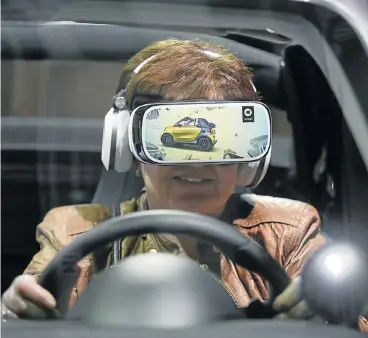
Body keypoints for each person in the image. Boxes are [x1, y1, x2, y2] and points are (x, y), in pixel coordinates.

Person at [2, 38, 367, 332]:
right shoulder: (73, 231)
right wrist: (16, 315)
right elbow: (32, 302)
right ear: (127, 146)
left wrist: (327, 311)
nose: (199, 161)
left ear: (250, 157)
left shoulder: (289, 230)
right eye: (169, 135)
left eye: (227, 138)